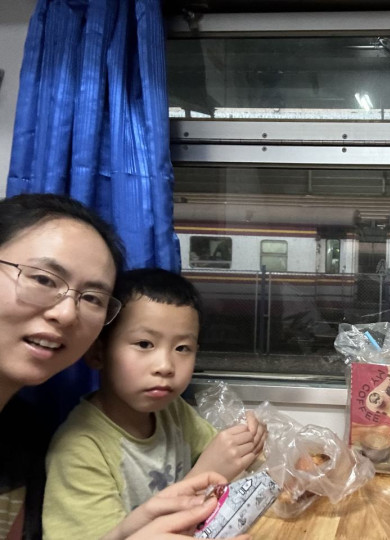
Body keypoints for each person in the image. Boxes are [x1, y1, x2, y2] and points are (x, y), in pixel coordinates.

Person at [0, 193, 251, 540]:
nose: (67, 313)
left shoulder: (20, 436)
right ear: (99, 353)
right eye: (43, 279)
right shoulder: (77, 445)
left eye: (92, 298)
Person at [43, 268, 266, 539]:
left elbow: (223, 457)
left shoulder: (172, 411)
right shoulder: (79, 449)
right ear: (98, 353)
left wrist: (247, 445)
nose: (165, 366)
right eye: (144, 344)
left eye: (182, 348)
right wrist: (207, 472)